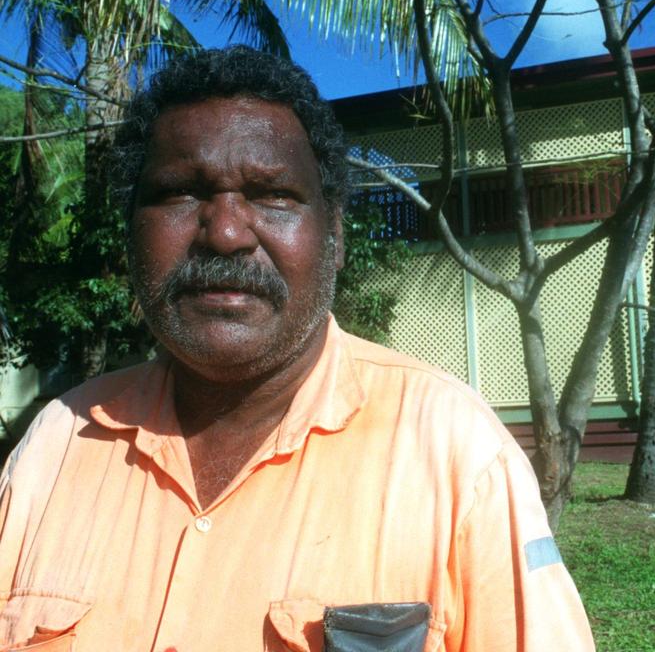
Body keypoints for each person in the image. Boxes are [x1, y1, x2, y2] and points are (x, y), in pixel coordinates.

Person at [0, 47, 595, 652]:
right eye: (180, 193)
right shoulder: (55, 447)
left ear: (334, 236)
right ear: (129, 235)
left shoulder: (457, 451)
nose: (227, 233)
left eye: (273, 195)